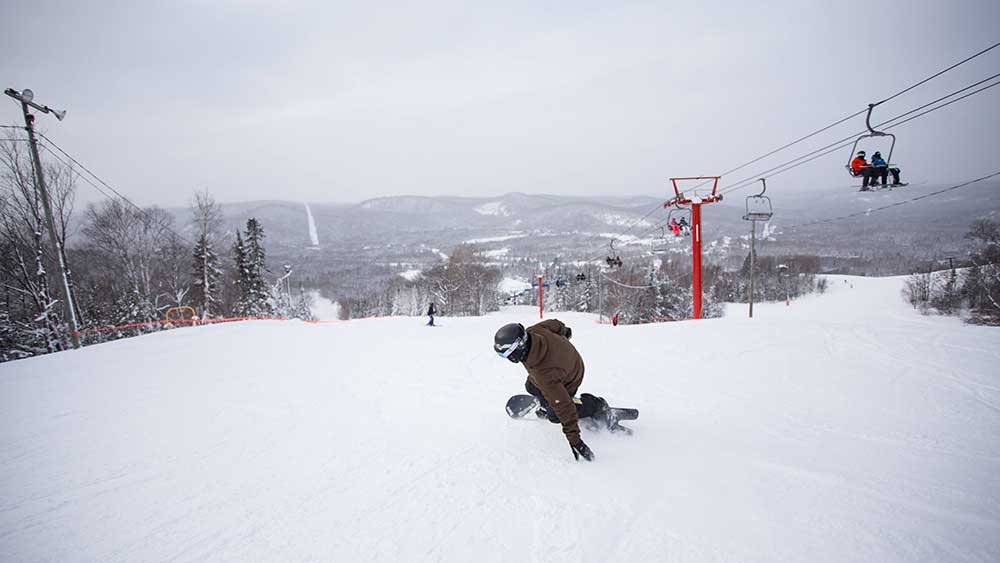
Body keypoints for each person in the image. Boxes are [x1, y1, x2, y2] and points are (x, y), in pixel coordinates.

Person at [494, 320, 613, 462]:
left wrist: (575, 440)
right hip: (567, 361)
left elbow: (564, 406)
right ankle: (548, 399)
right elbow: (555, 324)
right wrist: (565, 333)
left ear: (518, 348)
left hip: (571, 376)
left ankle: (595, 405)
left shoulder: (544, 374)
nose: (507, 359)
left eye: (506, 354)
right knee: (531, 386)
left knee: (555, 414)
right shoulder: (533, 331)